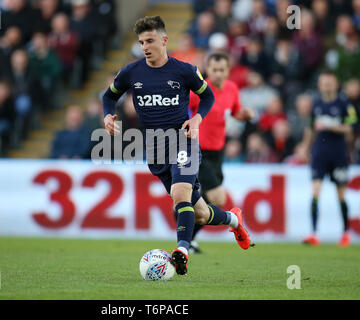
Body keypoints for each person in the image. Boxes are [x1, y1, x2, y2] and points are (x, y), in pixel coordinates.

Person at [102, 16, 252, 276]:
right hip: (156, 149)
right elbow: (109, 96)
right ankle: (234, 220)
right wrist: (107, 115)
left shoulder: (184, 70)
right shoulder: (131, 72)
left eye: (150, 41)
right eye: (141, 42)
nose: (145, 46)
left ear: (164, 40)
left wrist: (196, 119)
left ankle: (181, 250)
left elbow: (208, 96)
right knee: (201, 213)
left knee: (180, 194)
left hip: (184, 141)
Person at [185, 53, 255, 253]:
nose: (217, 73)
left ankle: (188, 236)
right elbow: (184, 111)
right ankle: (187, 238)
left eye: (221, 69)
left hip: (218, 151)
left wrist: (246, 115)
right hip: (198, 151)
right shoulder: (199, 91)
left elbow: (235, 113)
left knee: (205, 200)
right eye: (214, 69)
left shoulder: (232, 89)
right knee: (217, 198)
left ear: (227, 70)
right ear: (208, 70)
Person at [302, 70, 358, 247]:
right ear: (319, 85)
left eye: (329, 82)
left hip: (338, 153)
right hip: (319, 153)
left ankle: (346, 233)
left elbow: (351, 128)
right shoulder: (316, 104)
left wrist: (331, 125)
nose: (326, 85)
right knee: (315, 191)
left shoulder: (344, 104)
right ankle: (314, 233)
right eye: (323, 82)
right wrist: (305, 147)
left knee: (340, 194)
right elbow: (311, 128)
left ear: (336, 84)